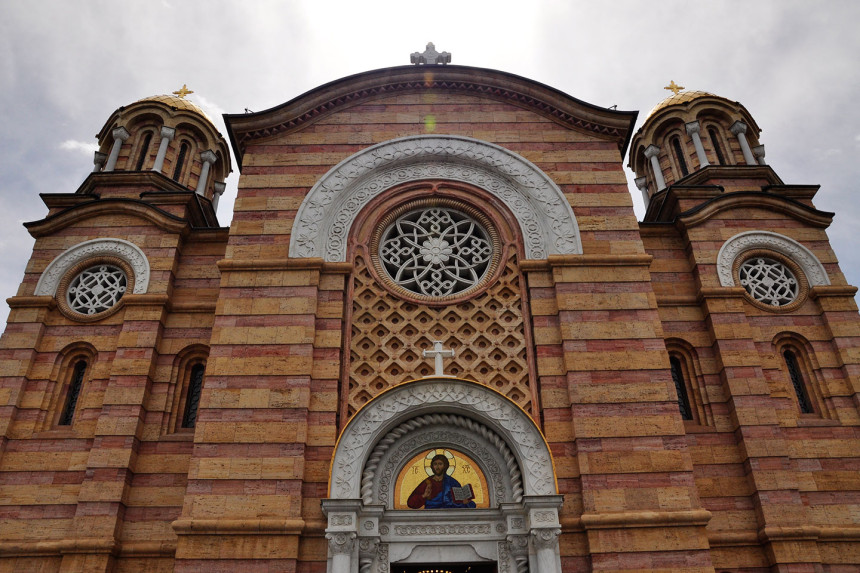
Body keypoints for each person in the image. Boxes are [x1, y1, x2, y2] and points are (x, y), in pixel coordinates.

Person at [406, 454, 476, 509]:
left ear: (445, 466)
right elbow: (410, 503)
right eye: (435, 464)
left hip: (449, 515)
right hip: (430, 515)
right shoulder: (427, 483)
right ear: (432, 466)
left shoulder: (452, 482)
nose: (437, 467)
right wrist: (424, 496)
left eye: (440, 464)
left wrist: (465, 502)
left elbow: (459, 502)